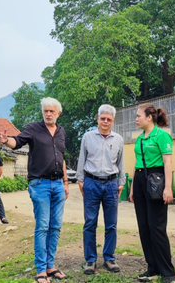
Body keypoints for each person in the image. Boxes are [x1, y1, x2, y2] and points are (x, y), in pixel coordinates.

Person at [0, 97, 69, 283]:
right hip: (40, 185)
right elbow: (18, 142)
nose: (48, 114)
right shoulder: (33, 128)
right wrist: (7, 141)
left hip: (58, 185)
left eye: (52, 111)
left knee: (56, 227)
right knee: (43, 226)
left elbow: (61, 158)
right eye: (45, 111)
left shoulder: (62, 132)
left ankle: (50, 265)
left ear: (58, 113)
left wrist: (66, 182)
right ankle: (40, 270)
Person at [76, 104, 125, 275]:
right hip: (91, 182)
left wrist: (121, 182)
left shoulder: (118, 139)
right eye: (102, 118)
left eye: (108, 119)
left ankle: (109, 258)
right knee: (90, 223)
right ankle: (90, 260)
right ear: (97, 119)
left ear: (112, 121)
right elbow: (82, 158)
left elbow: (121, 162)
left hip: (111, 184)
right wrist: (80, 179)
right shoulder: (87, 137)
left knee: (111, 224)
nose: (105, 121)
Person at [130, 103, 175, 282]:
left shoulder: (162, 135)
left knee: (157, 228)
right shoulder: (139, 138)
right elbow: (136, 164)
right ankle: (152, 267)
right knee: (144, 227)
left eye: (138, 116)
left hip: (156, 181)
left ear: (149, 117)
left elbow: (168, 163)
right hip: (141, 181)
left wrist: (168, 188)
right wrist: (133, 188)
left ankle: (168, 272)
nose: (136, 119)